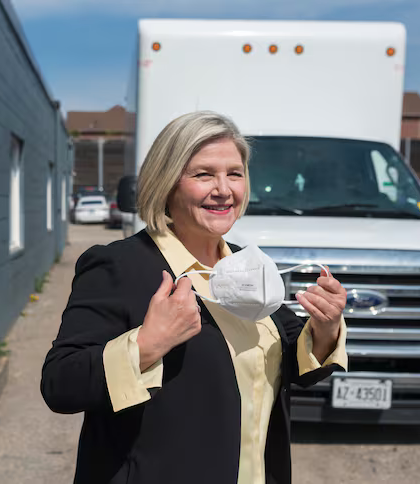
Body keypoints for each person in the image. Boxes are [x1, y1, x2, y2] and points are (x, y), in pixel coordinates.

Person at [41, 111, 348, 484]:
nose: (223, 189)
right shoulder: (120, 265)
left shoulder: (244, 263)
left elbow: (290, 360)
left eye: (234, 173)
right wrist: (147, 344)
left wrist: (325, 327)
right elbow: (60, 384)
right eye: (204, 174)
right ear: (167, 183)